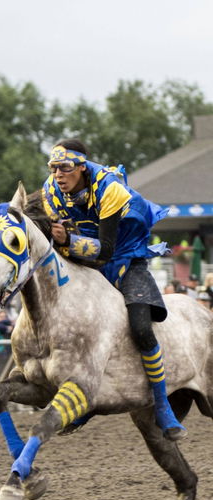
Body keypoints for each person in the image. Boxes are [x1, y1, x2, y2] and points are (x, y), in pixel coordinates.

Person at [42, 139, 185, 440]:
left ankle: (162, 404)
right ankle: (83, 404)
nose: (58, 174)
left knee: (141, 328)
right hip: (87, 261)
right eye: (53, 168)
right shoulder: (50, 191)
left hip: (126, 257)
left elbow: (106, 251)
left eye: (65, 168)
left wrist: (67, 240)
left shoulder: (110, 189)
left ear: (81, 167)